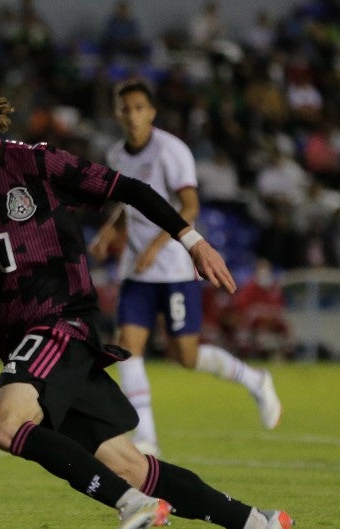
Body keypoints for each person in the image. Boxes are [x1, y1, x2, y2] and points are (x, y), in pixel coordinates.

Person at [0, 74, 294, 529]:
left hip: (62, 322)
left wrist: (192, 240)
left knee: (4, 425)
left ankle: (129, 504)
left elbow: (128, 189)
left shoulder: (34, 164)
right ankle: (259, 525)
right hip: (26, 343)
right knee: (132, 465)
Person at [90, 79, 281, 456]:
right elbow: (129, 203)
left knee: (186, 356)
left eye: (139, 108)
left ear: (152, 112)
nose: (132, 115)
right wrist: (108, 232)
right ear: (117, 113)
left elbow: (189, 206)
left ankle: (256, 380)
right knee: (129, 347)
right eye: (125, 108)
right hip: (136, 270)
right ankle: (146, 438)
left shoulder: (171, 151)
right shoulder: (116, 155)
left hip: (174, 267)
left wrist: (157, 246)